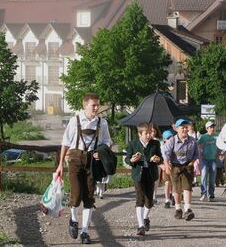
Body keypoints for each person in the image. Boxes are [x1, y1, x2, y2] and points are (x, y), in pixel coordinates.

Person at [55, 93, 112, 244]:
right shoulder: (75, 121)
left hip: (92, 161)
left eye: (97, 105)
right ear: (85, 105)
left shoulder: (102, 123)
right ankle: (73, 220)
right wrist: (60, 164)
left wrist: (101, 152)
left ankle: (85, 232)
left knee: (89, 197)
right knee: (76, 194)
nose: (96, 108)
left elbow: (107, 142)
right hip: (74, 159)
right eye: (93, 105)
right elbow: (65, 142)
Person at [125, 123, 162, 236]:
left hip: (150, 174)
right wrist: (132, 159)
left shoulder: (155, 143)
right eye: (146, 133)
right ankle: (140, 226)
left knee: (149, 201)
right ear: (140, 133)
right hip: (138, 174)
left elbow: (161, 158)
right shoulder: (133, 143)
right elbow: (127, 160)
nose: (149, 135)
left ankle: (145, 218)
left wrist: (157, 159)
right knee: (140, 198)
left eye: (150, 132)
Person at [162, 118, 199, 221]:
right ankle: (178, 209)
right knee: (177, 189)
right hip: (175, 166)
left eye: (186, 127)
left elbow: (196, 154)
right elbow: (165, 154)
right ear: (177, 129)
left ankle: (188, 210)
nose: (185, 130)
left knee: (187, 187)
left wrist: (193, 162)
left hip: (187, 166)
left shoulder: (192, 141)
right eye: (182, 128)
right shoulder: (172, 140)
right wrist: (166, 165)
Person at [198, 121, 218, 202]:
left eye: (213, 127)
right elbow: (197, 145)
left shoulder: (217, 136)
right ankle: (203, 194)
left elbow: (220, 145)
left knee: (212, 178)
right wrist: (201, 154)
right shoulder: (203, 137)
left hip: (213, 159)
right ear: (207, 128)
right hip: (205, 159)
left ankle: (211, 194)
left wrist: (219, 153)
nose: (212, 128)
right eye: (211, 127)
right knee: (203, 176)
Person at [161, 130, 176, 208]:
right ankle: (167, 200)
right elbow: (160, 158)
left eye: (171, 137)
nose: (170, 139)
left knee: (174, 183)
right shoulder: (162, 147)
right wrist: (162, 165)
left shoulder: (175, 145)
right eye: (168, 138)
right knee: (167, 183)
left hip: (174, 166)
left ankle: (173, 196)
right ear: (164, 139)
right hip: (166, 167)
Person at [150, 124, 162, 204]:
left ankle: (154, 196)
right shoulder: (146, 140)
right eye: (151, 131)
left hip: (157, 163)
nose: (153, 133)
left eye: (154, 131)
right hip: (148, 163)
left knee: (156, 180)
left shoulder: (159, 141)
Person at [188, 123, 202, 187]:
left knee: (196, 166)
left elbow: (200, 142)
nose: (191, 128)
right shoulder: (187, 134)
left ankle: (195, 180)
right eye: (190, 127)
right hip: (189, 153)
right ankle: (191, 180)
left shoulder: (197, 133)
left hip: (196, 152)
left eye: (192, 127)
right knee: (190, 167)